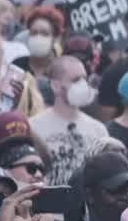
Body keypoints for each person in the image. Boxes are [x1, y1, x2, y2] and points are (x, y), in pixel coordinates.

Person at [29, 56, 110, 186]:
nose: (83, 84)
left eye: (85, 78)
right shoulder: (33, 127)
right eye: (76, 80)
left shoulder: (98, 129)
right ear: (55, 86)